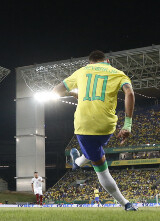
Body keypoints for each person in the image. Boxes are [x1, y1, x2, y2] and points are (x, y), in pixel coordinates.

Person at [52, 50, 137, 211]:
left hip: (84, 127)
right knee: (96, 149)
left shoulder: (82, 71)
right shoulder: (118, 73)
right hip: (107, 127)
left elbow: (56, 91)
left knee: (101, 170)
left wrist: (74, 93)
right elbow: (130, 93)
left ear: (90, 62)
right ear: (107, 61)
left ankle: (125, 203)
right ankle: (79, 161)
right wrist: (127, 125)